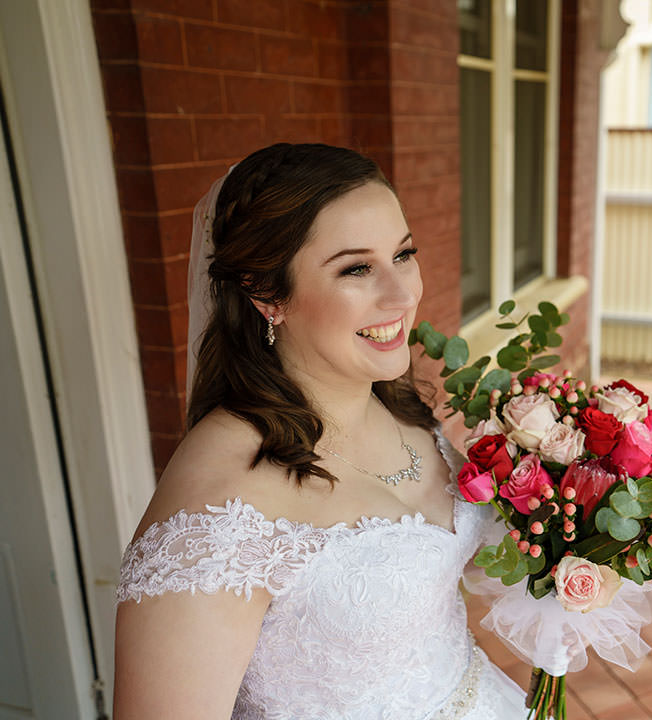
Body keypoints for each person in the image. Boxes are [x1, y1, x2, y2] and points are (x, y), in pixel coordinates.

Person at [114, 143, 529, 718]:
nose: (403, 294)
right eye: (356, 268)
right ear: (266, 293)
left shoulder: (400, 404)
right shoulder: (217, 508)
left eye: (403, 254)